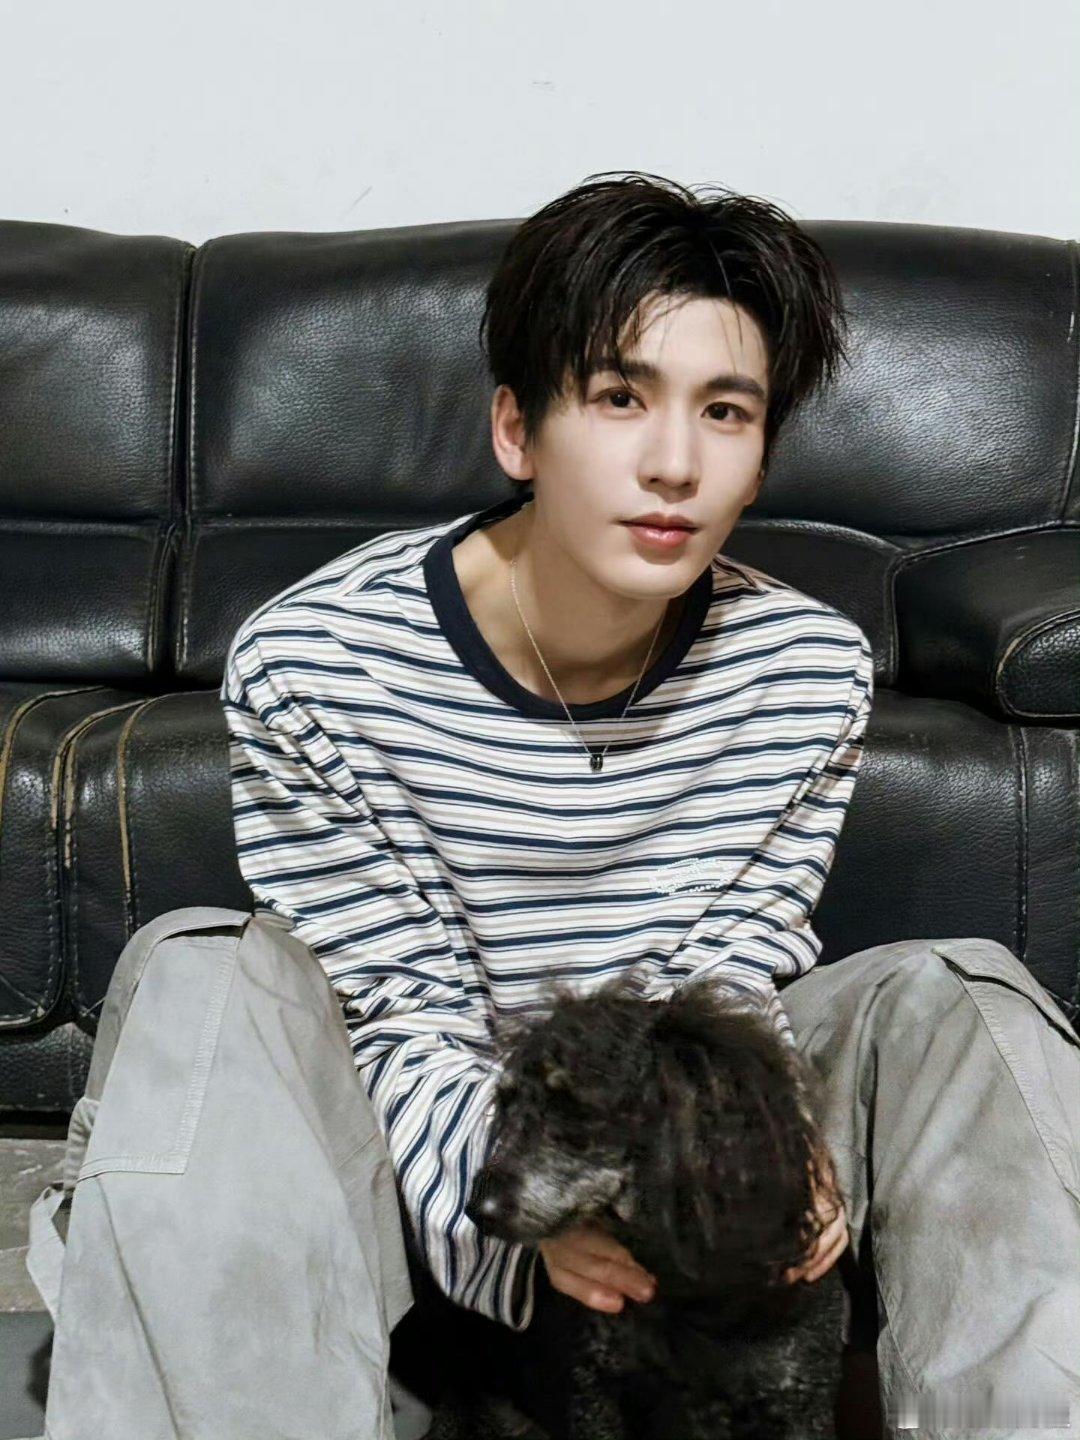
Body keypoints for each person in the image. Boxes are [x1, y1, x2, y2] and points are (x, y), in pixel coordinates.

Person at [220, 172, 1080, 1438]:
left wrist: (766, 1149)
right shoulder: (313, 665)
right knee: (200, 984)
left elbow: (730, 967)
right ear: (518, 431)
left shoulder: (805, 667)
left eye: (724, 412)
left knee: (962, 999)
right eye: (620, 398)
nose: (674, 464)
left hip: (694, 1138)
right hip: (448, 1159)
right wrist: (539, 1208)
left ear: (761, 453)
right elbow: (398, 1018)